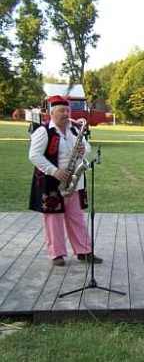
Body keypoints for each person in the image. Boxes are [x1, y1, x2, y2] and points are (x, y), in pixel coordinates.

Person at [28, 95, 102, 267]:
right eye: (61, 110)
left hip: (74, 182)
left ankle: (84, 251)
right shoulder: (43, 131)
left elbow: (87, 148)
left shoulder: (75, 130)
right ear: (52, 113)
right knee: (53, 220)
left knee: (77, 217)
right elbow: (34, 155)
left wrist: (85, 149)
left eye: (67, 110)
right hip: (52, 181)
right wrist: (54, 171)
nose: (65, 114)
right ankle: (56, 254)